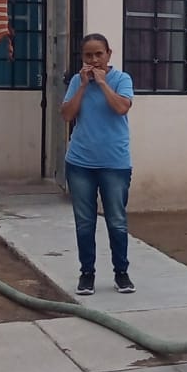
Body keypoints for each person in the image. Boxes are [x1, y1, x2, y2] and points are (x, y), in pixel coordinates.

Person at [60, 33, 135, 295]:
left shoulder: (121, 79)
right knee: (84, 222)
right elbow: (67, 115)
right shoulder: (76, 81)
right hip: (80, 163)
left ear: (108, 54)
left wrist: (102, 84)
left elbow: (122, 108)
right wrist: (82, 86)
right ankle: (87, 273)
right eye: (88, 55)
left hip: (115, 163)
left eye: (98, 54)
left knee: (116, 220)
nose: (93, 60)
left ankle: (121, 273)